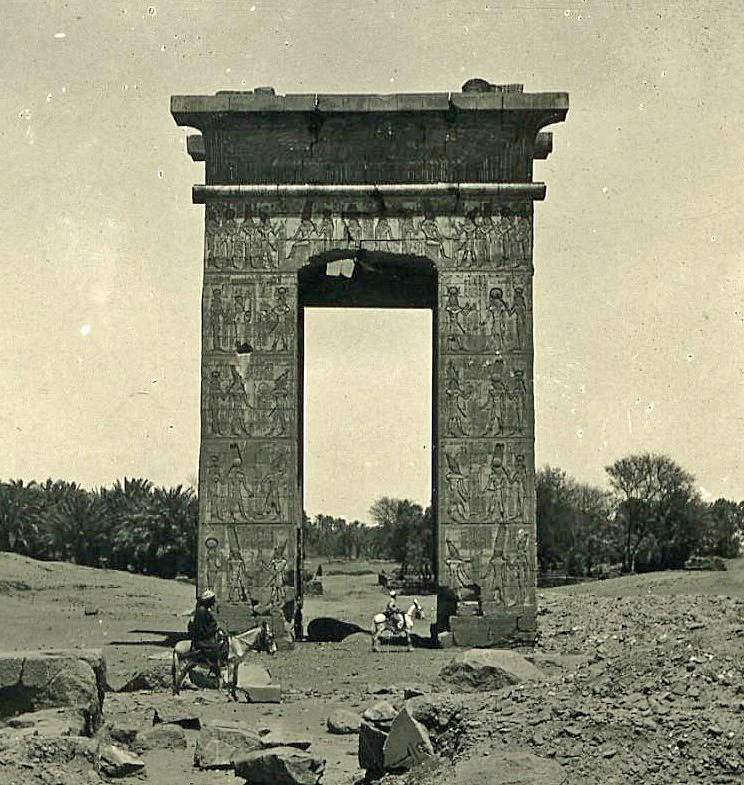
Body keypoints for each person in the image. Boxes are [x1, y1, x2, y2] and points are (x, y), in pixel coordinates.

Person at [190, 590, 227, 669]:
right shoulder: (202, 611)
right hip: (202, 638)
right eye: (212, 600)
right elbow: (202, 628)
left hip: (208, 635)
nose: (214, 602)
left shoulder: (205, 610)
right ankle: (212, 667)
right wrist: (214, 630)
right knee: (215, 648)